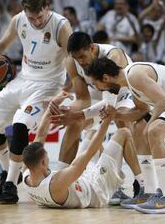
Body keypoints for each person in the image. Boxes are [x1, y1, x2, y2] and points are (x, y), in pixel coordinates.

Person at [0, 0, 72, 204]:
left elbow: (72, 60)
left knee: (20, 125)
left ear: (48, 8)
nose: (36, 22)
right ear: (24, 11)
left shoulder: (61, 26)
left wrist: (64, 92)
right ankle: (9, 172)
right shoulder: (19, 20)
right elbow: (1, 45)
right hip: (23, 80)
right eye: (32, 18)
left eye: (40, 17)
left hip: (48, 86)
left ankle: (10, 184)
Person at [85, 58, 165, 214]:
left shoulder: (134, 74)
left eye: (96, 84)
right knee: (140, 128)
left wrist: (150, 126)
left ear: (105, 78)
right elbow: (141, 111)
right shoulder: (130, 82)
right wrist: (115, 114)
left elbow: (163, 102)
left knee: (153, 130)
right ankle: (149, 192)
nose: (98, 89)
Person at [50, 32, 152, 205]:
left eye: (82, 56)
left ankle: (142, 184)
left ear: (92, 48)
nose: (80, 61)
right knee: (74, 123)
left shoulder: (114, 56)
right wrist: (70, 114)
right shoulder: (72, 62)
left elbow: (110, 107)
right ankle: (58, 178)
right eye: (76, 58)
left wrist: (79, 114)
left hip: (125, 92)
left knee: (123, 125)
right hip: (100, 93)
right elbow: (83, 99)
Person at [23, 100, 143, 208]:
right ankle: (141, 185)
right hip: (97, 190)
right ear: (44, 162)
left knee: (91, 133)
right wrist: (107, 119)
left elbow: (40, 136)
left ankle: (114, 185)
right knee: (123, 133)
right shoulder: (56, 183)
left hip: (82, 180)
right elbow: (89, 152)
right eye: (47, 156)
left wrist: (49, 111)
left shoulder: (27, 177)